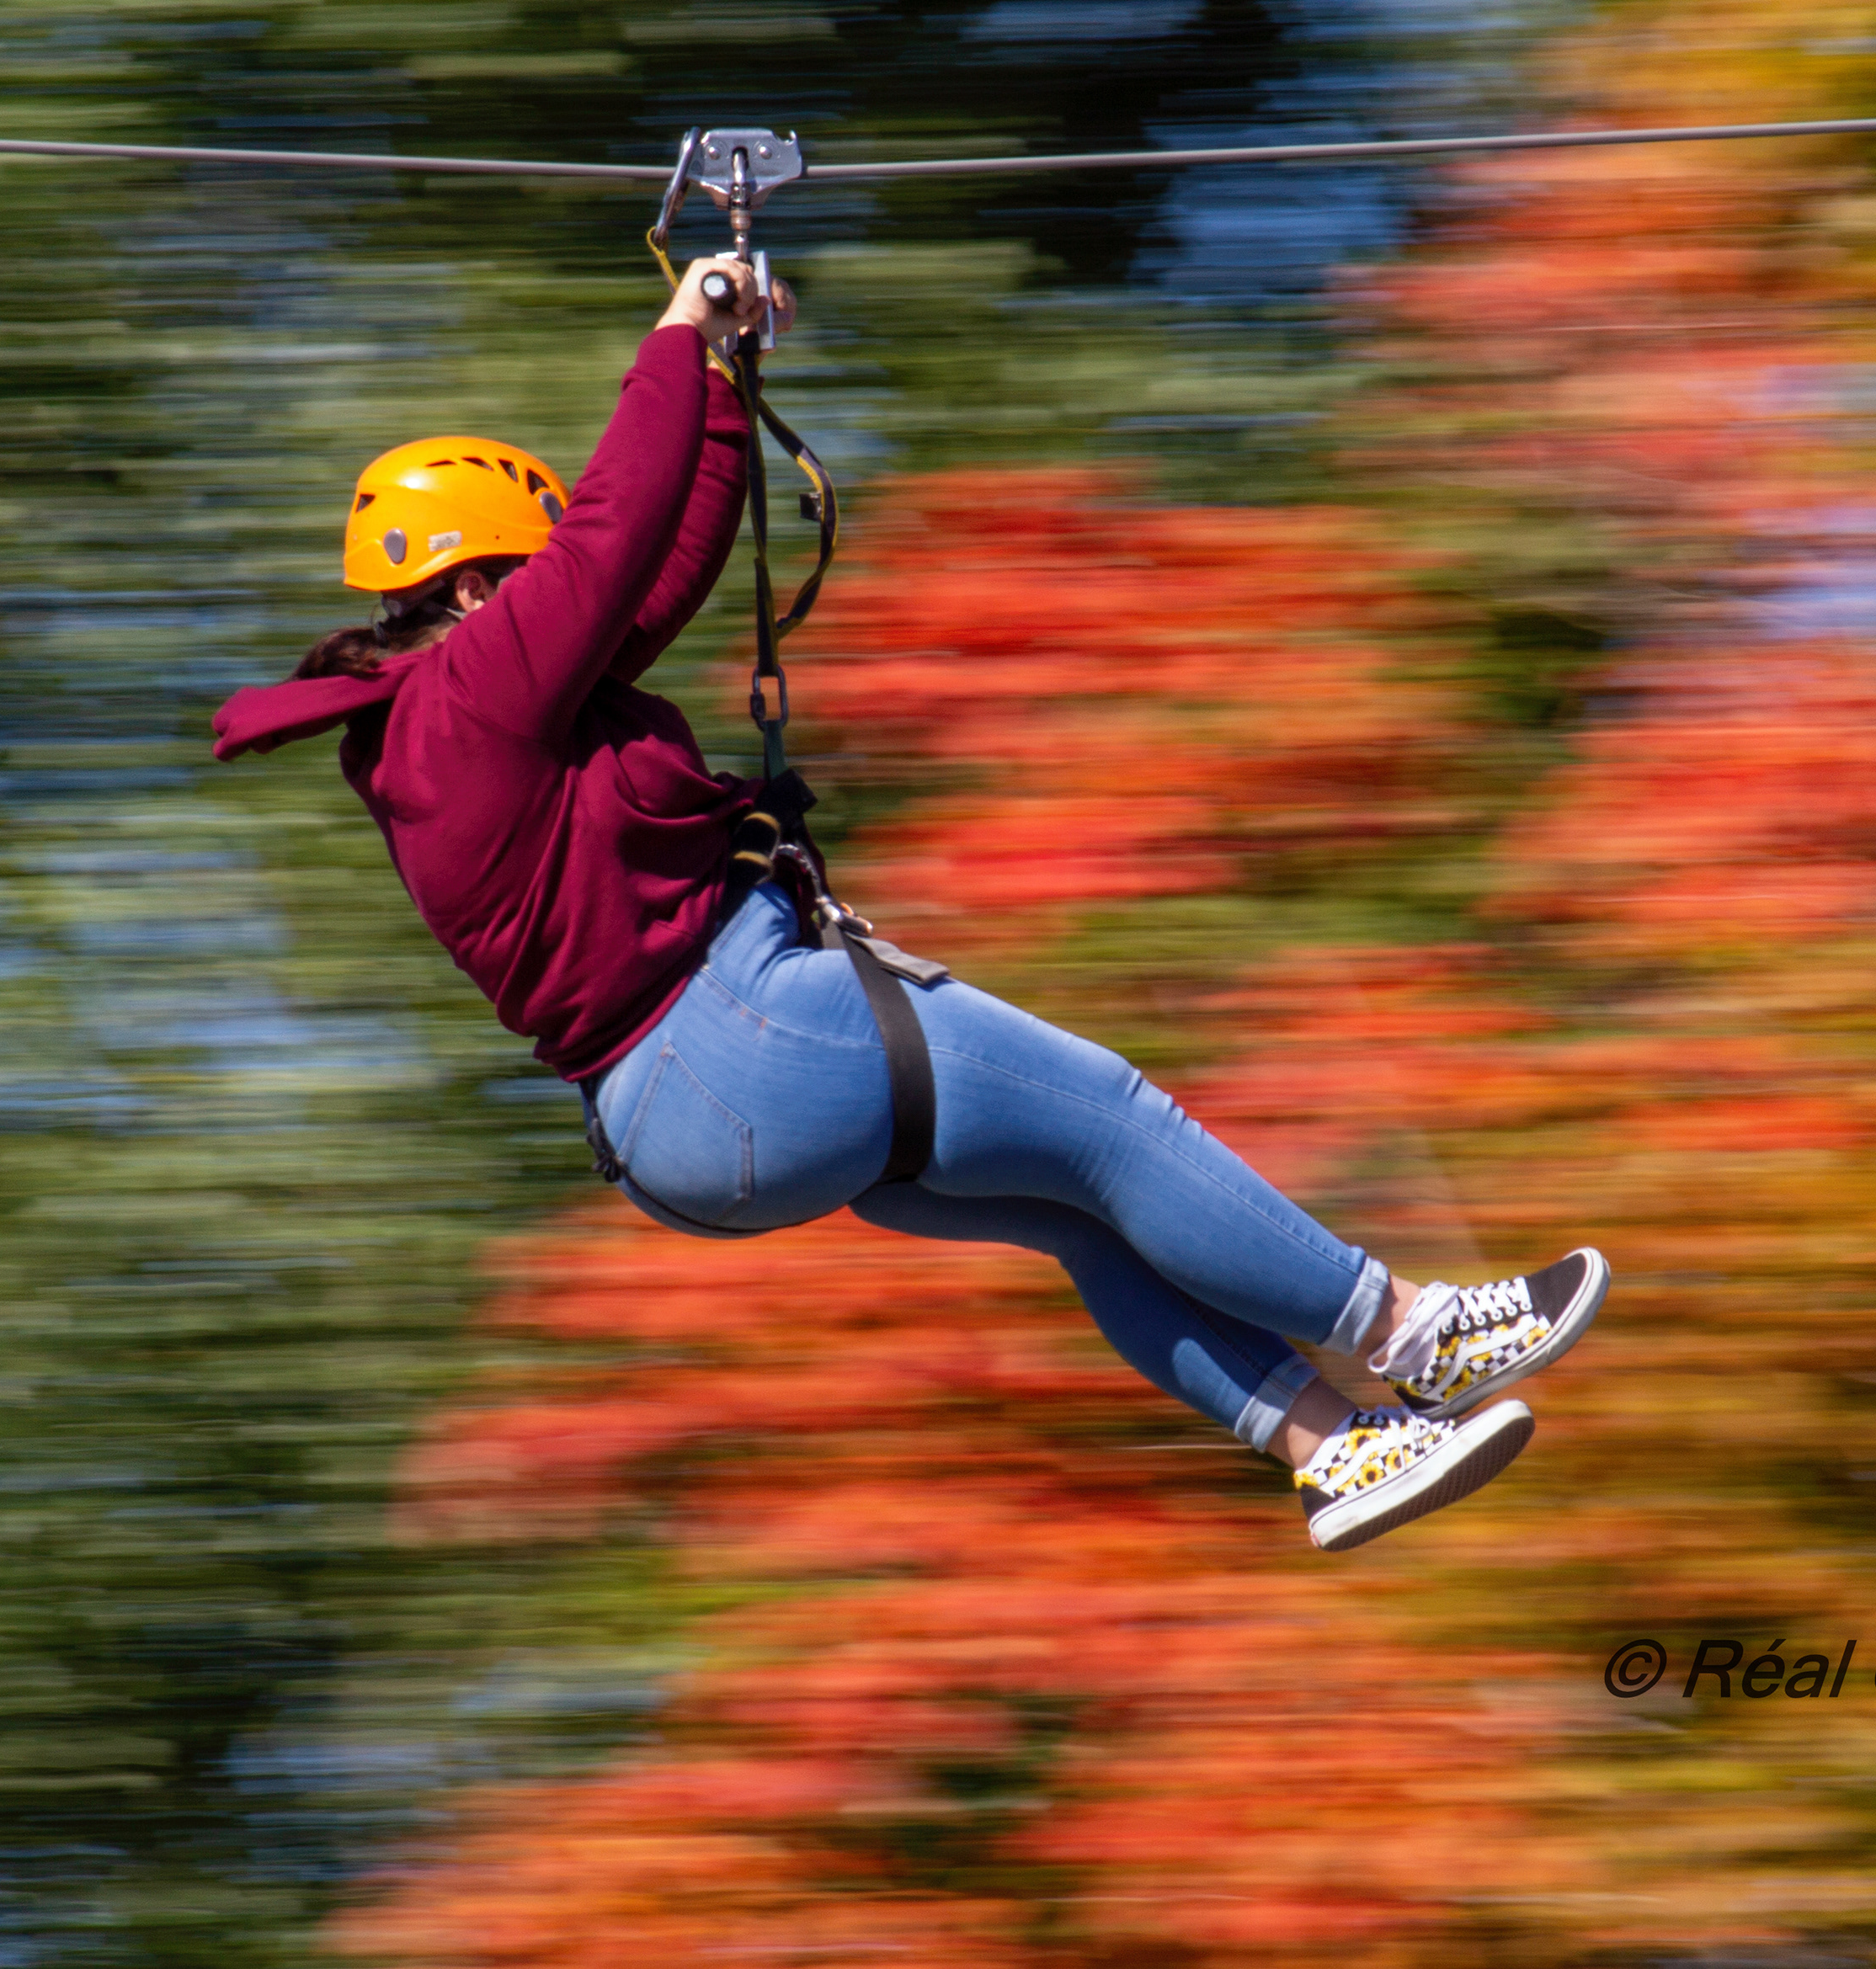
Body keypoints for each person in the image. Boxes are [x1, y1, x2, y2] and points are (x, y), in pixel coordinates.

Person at [210, 258, 1610, 1551]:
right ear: (476, 584)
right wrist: (674, 333)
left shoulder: (459, 722)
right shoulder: (469, 699)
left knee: (1081, 1213)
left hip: (681, 1122)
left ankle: (1337, 1450)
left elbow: (660, 572)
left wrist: (722, 383)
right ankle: (1412, 1329)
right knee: (1110, 1114)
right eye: (532, 572)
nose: (554, 592)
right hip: (738, 1038)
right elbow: (616, 541)